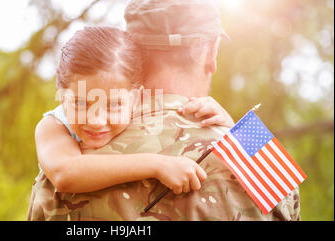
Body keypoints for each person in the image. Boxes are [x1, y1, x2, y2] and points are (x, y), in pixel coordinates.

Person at [27, 0, 300, 221]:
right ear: (210, 54)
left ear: (131, 54)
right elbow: (289, 203)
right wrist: (231, 131)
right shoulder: (261, 153)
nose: (97, 120)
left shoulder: (65, 166)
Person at [35, 26, 234, 198]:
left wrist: (228, 125)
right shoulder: (53, 125)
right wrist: (158, 165)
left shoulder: (150, 111)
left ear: (136, 99)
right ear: (62, 97)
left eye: (113, 105)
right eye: (80, 103)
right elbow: (65, 174)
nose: (96, 120)